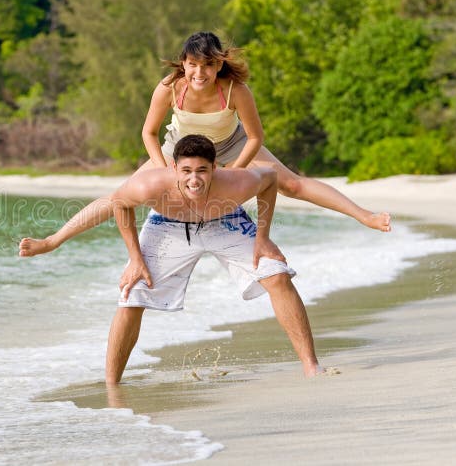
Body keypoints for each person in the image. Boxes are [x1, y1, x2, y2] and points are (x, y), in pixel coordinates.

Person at [19, 31, 389, 258]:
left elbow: (257, 136)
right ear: (183, 63)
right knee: (122, 195)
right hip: (180, 148)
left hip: (231, 145)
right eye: (193, 65)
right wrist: (165, 169)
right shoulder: (169, 87)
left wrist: (236, 169)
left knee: (290, 183)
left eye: (208, 65)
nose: (200, 73)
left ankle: (365, 216)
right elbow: (148, 132)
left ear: (218, 65)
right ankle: (53, 240)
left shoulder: (234, 89)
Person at [105, 134, 322, 383]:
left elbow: (271, 178)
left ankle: (311, 366)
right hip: (168, 225)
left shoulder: (236, 182)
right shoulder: (148, 184)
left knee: (277, 275)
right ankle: (112, 385)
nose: (194, 179)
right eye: (186, 170)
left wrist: (263, 238)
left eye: (202, 171)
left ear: (214, 168)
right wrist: (135, 259)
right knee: (132, 293)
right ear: (173, 168)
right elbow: (119, 202)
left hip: (226, 219)